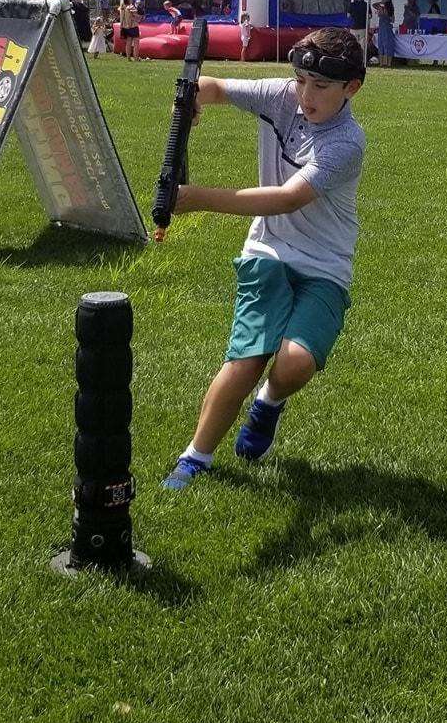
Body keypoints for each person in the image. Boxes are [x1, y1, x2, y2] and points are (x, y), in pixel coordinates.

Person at [158, 27, 369, 491]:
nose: (305, 95)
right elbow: (214, 87)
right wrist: (194, 98)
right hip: (268, 252)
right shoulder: (280, 95)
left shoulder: (347, 143)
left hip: (325, 265)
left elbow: (287, 198)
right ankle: (196, 457)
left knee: (295, 362)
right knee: (247, 358)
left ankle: (269, 403)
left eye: (320, 86)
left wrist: (196, 198)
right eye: (300, 80)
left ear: (350, 88)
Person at [372, 0, 398, 68]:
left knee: (387, 45)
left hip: (387, 29)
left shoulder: (390, 9)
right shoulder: (380, 7)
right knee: (381, 45)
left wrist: (387, 13)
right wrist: (381, 2)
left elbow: (393, 20)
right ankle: (381, 63)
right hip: (381, 29)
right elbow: (373, 5)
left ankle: (388, 63)